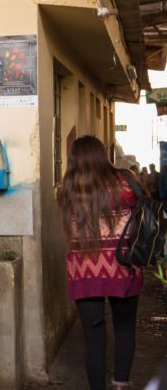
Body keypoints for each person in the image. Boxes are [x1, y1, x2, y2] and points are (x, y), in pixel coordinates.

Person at [58, 136, 142, 390]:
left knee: (93, 336)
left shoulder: (69, 189)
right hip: (124, 264)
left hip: (85, 269)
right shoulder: (125, 181)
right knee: (125, 327)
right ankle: (120, 384)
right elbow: (141, 213)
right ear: (103, 154)